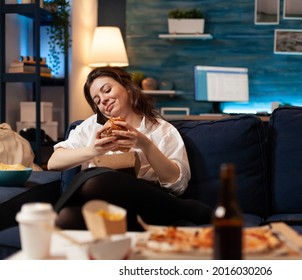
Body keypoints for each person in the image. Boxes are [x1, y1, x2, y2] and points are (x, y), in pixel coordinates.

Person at [47, 66, 212, 230]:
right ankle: (184, 211)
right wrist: (93, 151)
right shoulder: (90, 127)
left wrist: (144, 144)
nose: (103, 100)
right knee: (65, 218)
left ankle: (186, 210)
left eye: (107, 90)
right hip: (108, 210)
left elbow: (178, 184)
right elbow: (53, 163)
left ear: (128, 88)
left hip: (148, 206)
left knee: (95, 181)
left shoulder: (161, 129)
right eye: (97, 100)